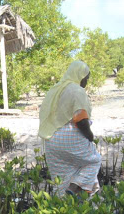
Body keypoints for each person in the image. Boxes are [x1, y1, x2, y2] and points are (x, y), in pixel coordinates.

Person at [38, 60, 101, 197]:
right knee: (94, 161)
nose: (86, 81)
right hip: (69, 137)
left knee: (61, 178)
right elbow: (81, 119)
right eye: (86, 78)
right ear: (80, 75)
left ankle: (62, 208)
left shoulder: (56, 89)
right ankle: (74, 187)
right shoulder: (76, 90)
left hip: (51, 139)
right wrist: (90, 136)